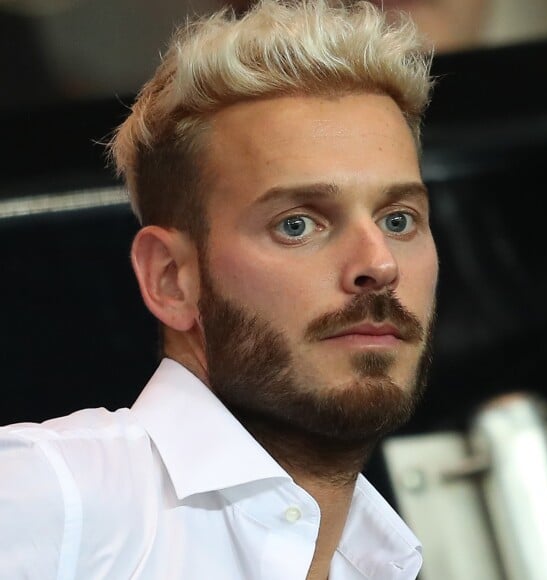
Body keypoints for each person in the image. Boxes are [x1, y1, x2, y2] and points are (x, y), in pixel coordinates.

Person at [0, 0, 438, 577]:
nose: (379, 265)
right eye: (297, 224)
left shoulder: (382, 559)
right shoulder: (56, 489)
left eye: (398, 219)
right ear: (171, 278)